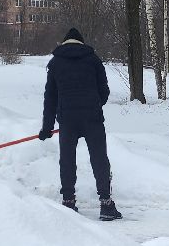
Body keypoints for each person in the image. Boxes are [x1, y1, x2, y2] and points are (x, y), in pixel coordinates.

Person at [39, 27, 122, 221]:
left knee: (67, 160)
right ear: (81, 42)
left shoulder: (55, 63)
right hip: (92, 118)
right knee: (99, 158)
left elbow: (50, 98)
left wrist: (47, 127)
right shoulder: (93, 60)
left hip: (67, 120)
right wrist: (93, 105)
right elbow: (104, 91)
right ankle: (106, 204)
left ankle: (68, 201)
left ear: (65, 42)